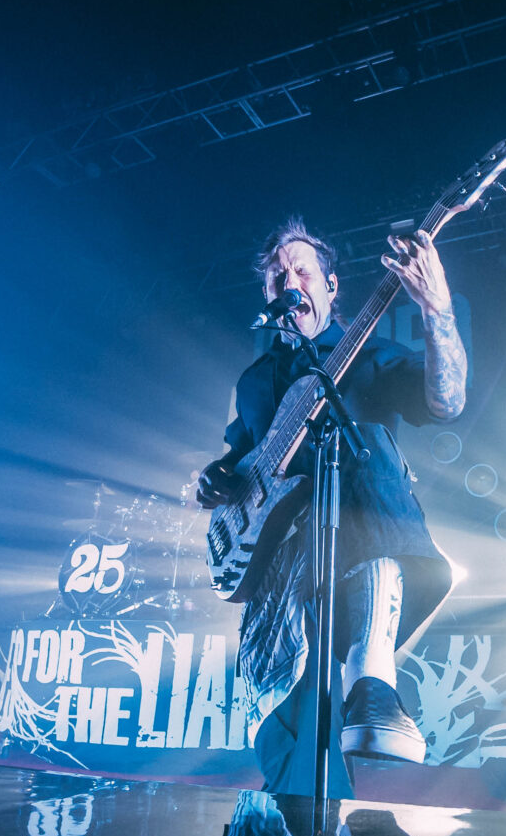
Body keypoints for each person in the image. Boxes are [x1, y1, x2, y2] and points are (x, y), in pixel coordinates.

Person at [197, 218, 467, 797]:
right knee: (293, 749)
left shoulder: (367, 353)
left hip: (356, 547)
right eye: (277, 276)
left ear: (330, 286)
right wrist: (214, 480)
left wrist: (437, 309)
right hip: (278, 575)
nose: (289, 282)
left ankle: (373, 681)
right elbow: (240, 462)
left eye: (301, 271)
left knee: (365, 442)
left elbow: (446, 402)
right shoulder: (254, 381)